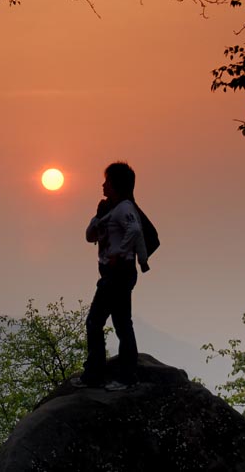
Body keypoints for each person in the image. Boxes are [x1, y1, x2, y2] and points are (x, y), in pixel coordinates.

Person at [72, 161, 149, 391]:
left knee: (96, 322)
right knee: (121, 323)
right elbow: (89, 236)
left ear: (116, 184)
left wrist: (119, 252)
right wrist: (98, 217)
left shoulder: (125, 207)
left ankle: (97, 374)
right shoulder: (112, 209)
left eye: (107, 181)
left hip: (118, 273)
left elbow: (135, 230)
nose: (103, 185)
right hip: (114, 273)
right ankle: (123, 375)